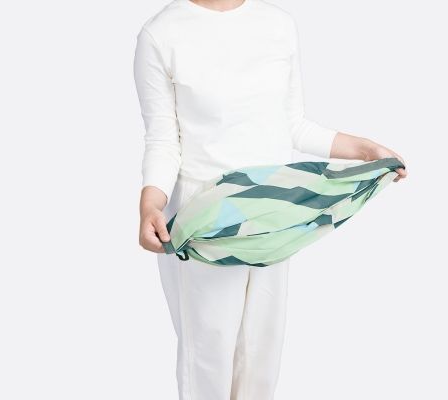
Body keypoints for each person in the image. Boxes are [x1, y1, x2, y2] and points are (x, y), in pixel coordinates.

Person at [133, 0, 407, 399]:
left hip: (274, 209)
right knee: (208, 355)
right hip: (206, 217)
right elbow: (163, 139)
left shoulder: (277, 24)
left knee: (261, 353)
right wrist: (150, 205)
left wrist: (363, 150)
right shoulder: (161, 34)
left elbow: (292, 124)